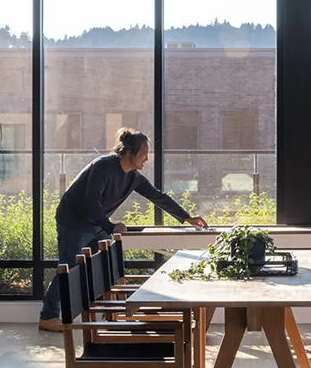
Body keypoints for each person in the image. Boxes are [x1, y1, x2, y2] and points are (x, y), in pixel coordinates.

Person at [38, 127, 207, 331]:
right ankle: (47, 317)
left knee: (102, 264)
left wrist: (186, 217)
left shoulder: (133, 177)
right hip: (73, 220)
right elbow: (91, 201)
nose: (146, 158)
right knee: (69, 266)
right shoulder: (104, 166)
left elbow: (157, 196)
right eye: (143, 154)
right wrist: (110, 226)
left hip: (95, 223)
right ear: (128, 153)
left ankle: (105, 313)